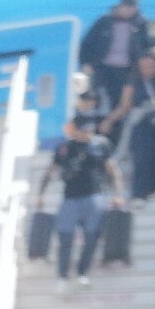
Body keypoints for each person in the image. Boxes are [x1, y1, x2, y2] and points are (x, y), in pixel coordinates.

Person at [36, 117, 124, 283]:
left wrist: (118, 194)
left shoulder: (100, 144)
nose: (87, 134)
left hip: (95, 195)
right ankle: (63, 275)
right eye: (83, 130)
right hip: (70, 197)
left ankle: (82, 272)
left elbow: (112, 170)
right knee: (65, 236)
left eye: (89, 130)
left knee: (92, 236)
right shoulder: (64, 148)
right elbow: (50, 172)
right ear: (75, 130)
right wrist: (41, 194)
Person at [109, 52, 155, 200]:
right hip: (142, 123)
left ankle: (154, 187)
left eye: (151, 66)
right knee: (141, 158)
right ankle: (139, 194)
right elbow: (124, 106)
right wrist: (109, 121)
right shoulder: (133, 82)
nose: (147, 69)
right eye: (144, 66)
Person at [79, 0, 150, 113]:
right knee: (99, 97)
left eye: (131, 8)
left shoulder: (140, 24)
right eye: (126, 7)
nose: (128, 11)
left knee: (121, 100)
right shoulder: (104, 21)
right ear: (120, 6)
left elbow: (146, 45)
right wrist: (85, 62)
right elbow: (87, 42)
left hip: (126, 70)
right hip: (103, 67)